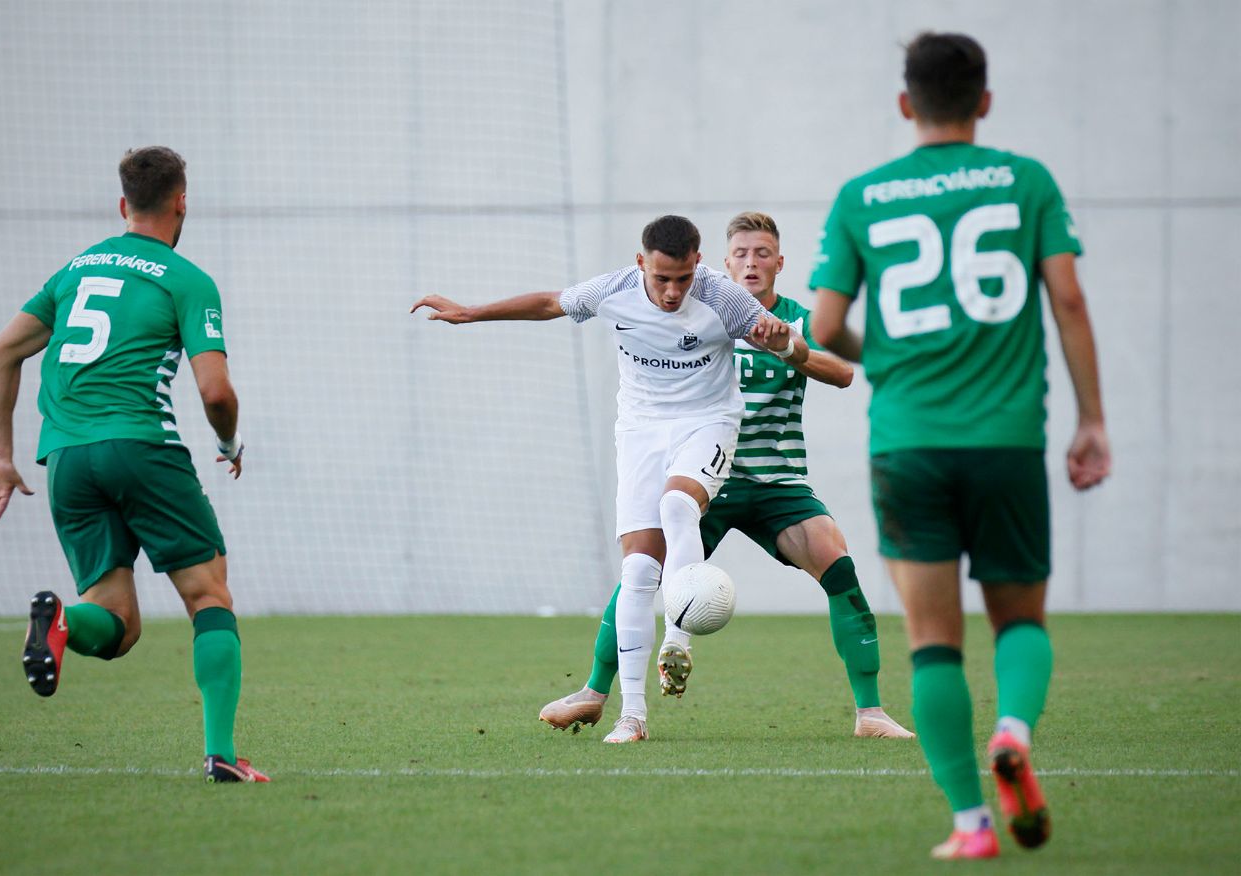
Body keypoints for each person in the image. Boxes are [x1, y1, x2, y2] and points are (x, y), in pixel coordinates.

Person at [809, 33, 1111, 859]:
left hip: (908, 445)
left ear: (906, 104)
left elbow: (826, 328)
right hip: (1006, 443)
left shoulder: (862, 196)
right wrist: (1091, 419)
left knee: (933, 641)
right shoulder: (1027, 180)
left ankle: (972, 826)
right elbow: (1070, 302)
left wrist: (893, 356)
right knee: (1020, 620)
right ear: (985, 101)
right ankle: (1012, 731)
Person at [412, 215, 806, 743]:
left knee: (676, 506)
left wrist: (785, 343)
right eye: (661, 278)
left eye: (683, 278)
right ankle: (632, 717)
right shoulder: (614, 289)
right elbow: (549, 302)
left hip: (707, 422)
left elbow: (792, 348)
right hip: (641, 431)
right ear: (641, 263)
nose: (673, 292)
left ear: (698, 263)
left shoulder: (723, 297)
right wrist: (470, 313)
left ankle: (679, 637)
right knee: (639, 569)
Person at [538, 211, 914, 740]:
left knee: (838, 565)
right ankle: (596, 691)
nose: (751, 263)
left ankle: (870, 713)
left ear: (780, 263)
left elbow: (843, 372)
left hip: (777, 482)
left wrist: (787, 345)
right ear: (721, 263)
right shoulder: (705, 313)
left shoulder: (794, 321)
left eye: (763, 254)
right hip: (707, 482)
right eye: (741, 254)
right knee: (641, 572)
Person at [0, 146, 268, 784]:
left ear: (122, 205)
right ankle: (221, 755)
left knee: (118, 625)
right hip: (141, 447)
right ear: (182, 202)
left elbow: (0, 353)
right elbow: (216, 392)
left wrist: (0, 455)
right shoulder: (186, 279)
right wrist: (228, 443)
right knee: (208, 594)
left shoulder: (75, 271)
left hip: (67, 459)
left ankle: (61, 620)